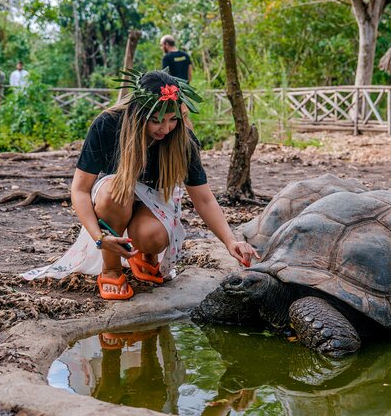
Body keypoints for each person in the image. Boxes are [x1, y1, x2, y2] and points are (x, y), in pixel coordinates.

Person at [22, 70, 259, 300]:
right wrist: (98, 237)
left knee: (152, 236)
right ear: (137, 113)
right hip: (113, 199)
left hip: (153, 203)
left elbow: (204, 199)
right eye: (156, 121)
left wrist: (231, 241)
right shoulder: (108, 125)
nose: (165, 129)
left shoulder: (182, 141)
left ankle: (145, 255)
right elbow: (80, 189)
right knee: (116, 190)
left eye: (172, 120)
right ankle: (111, 269)